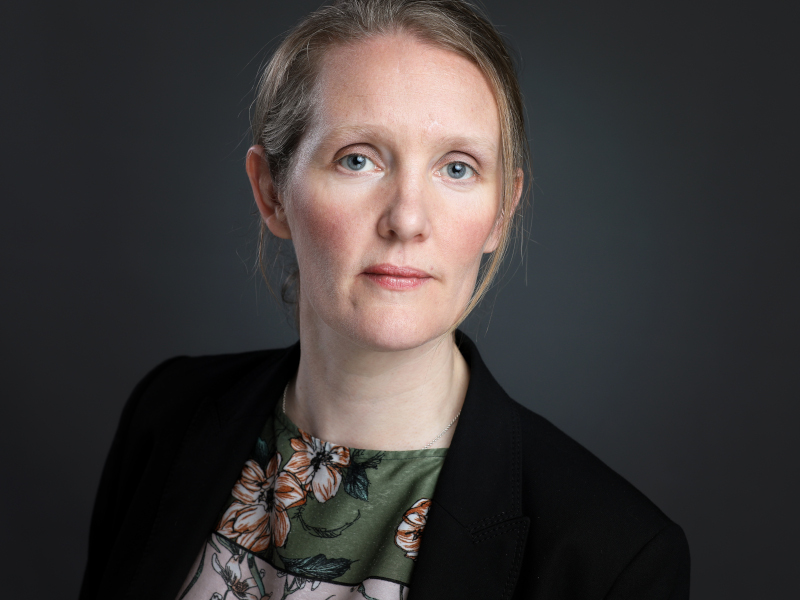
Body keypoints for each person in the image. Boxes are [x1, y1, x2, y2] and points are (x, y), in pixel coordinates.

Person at [79, 1, 690, 598]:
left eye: (457, 167)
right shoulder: (166, 414)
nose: (406, 219)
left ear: (502, 210)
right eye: (358, 159)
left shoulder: (615, 558)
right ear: (271, 193)